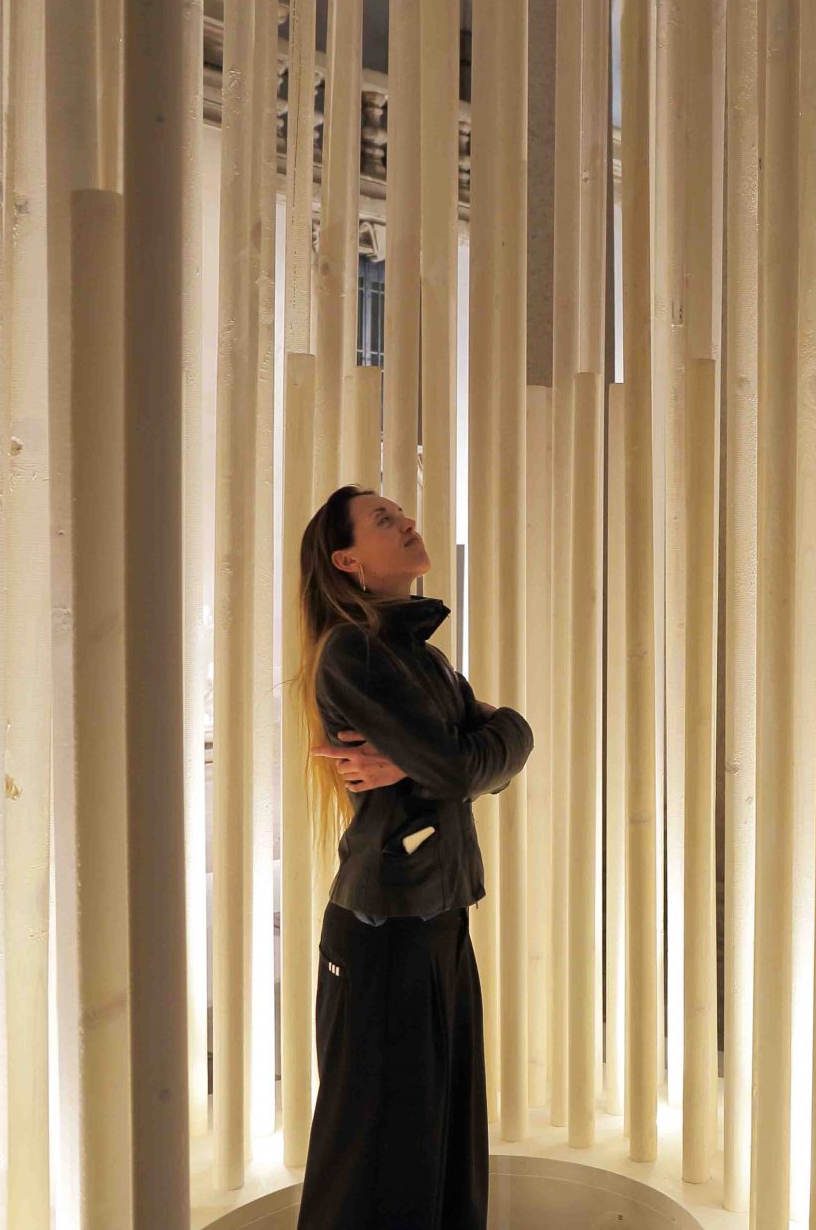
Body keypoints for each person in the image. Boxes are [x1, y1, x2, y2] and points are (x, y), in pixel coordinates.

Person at [292, 484, 533, 1229]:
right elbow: (463, 766)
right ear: (348, 561)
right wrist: (470, 744)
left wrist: (456, 748)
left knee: (443, 1140)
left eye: (401, 513)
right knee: (374, 1158)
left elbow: (487, 754)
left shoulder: (423, 659)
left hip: (438, 915)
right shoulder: (353, 652)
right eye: (384, 519)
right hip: (385, 928)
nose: (407, 522)